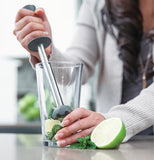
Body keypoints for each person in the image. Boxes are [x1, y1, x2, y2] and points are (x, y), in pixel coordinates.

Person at [13, 0, 154, 147]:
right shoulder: (97, 4)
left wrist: (114, 120)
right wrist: (48, 52)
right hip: (112, 145)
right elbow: (77, 68)